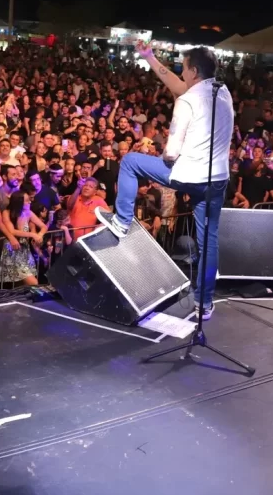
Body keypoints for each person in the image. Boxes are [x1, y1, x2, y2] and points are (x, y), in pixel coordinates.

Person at [97, 47, 233, 321]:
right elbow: (181, 85)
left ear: (193, 71)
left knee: (131, 162)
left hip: (186, 175)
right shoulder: (222, 90)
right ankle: (204, 303)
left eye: (183, 67)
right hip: (216, 179)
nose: (181, 72)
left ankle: (122, 221)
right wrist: (149, 57)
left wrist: (165, 157)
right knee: (209, 242)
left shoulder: (186, 102)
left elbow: (171, 152)